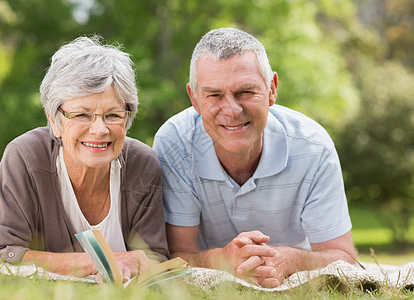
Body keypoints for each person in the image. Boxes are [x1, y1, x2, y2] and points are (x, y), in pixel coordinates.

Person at [153, 27, 357, 288]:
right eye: (214, 95)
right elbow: (175, 257)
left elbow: (345, 258)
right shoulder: (174, 144)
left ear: (272, 89)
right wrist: (225, 260)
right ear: (194, 98)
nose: (232, 110)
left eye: (245, 92)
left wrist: (287, 259)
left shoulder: (314, 147)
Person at [0, 35, 169, 281]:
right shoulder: (25, 157)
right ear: (54, 121)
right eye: (82, 115)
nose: (100, 129)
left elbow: (155, 261)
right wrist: (99, 262)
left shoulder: (144, 165)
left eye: (113, 115)